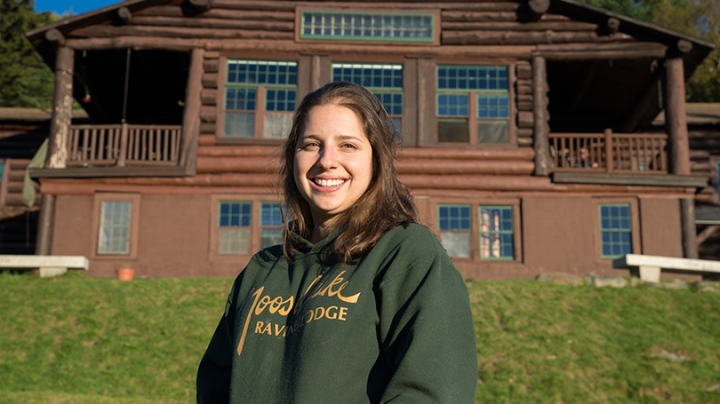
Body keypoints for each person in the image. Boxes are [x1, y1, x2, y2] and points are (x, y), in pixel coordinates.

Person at [196, 82, 478, 404]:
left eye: (348, 146)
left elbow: (432, 393)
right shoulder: (261, 271)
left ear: (376, 159)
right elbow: (214, 387)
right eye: (311, 144)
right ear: (293, 157)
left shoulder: (406, 255)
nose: (326, 160)